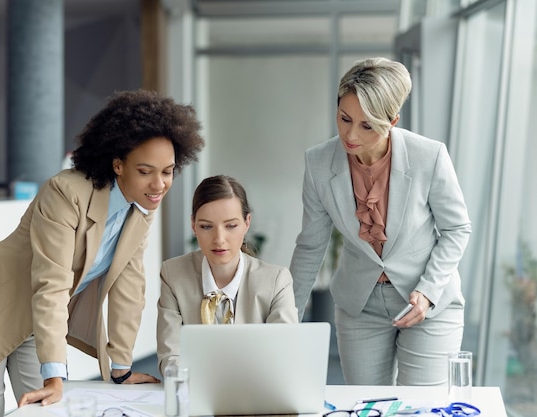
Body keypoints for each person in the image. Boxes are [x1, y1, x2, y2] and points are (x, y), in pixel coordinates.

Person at [0, 89, 205, 416]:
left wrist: (121, 368)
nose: (159, 184)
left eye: (167, 172)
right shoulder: (65, 193)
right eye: (145, 171)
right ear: (118, 164)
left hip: (33, 324)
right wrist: (54, 376)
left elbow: (129, 289)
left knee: (44, 412)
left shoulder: (141, 209)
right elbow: (52, 283)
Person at [289, 57, 471, 386]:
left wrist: (428, 290)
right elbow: (311, 245)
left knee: (422, 407)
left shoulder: (428, 156)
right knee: (366, 406)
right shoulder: (318, 163)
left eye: (367, 125)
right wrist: (285, 321)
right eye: (345, 118)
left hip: (427, 302)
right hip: (360, 306)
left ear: (392, 121)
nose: (350, 134)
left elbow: (457, 229)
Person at [156, 175, 298, 374]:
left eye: (231, 226)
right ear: (193, 225)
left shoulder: (276, 281)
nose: (219, 239)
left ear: (247, 223)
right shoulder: (173, 274)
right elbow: (170, 356)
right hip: (193, 392)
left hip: (255, 395)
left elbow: (284, 355)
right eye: (206, 226)